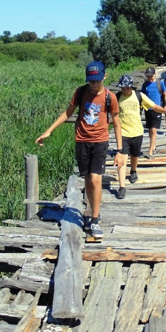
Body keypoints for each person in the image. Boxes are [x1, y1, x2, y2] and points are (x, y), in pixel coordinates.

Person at [35, 61, 124, 240]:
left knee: (95, 179)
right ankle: (91, 209)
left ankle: (95, 219)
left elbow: (116, 122)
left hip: (100, 141)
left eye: (97, 81)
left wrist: (120, 150)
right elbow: (68, 113)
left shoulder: (110, 97)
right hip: (82, 141)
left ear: (104, 77)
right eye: (91, 81)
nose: (94, 85)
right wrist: (49, 130)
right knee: (88, 181)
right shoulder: (80, 92)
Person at [115, 74, 166, 199]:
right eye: (123, 88)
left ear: (132, 87)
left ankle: (133, 171)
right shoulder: (117, 97)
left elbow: (153, 106)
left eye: (127, 88)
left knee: (134, 156)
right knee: (122, 159)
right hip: (123, 133)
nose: (125, 90)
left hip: (137, 132)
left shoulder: (139, 96)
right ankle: (122, 186)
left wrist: (165, 111)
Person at [140, 67, 166, 159]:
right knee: (150, 130)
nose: (150, 77)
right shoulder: (145, 85)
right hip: (148, 110)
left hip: (157, 109)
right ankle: (154, 145)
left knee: (153, 130)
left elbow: (164, 94)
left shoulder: (160, 83)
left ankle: (150, 151)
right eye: (148, 76)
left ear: (155, 74)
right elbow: (142, 96)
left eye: (151, 76)